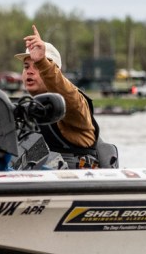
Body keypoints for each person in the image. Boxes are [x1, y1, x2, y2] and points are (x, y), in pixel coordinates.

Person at [16, 25, 106, 167]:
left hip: (75, 178)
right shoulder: (26, 111)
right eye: (26, 67)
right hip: (35, 178)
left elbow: (66, 95)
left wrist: (43, 62)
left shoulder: (76, 104)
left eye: (37, 66)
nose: (30, 72)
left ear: (55, 71)